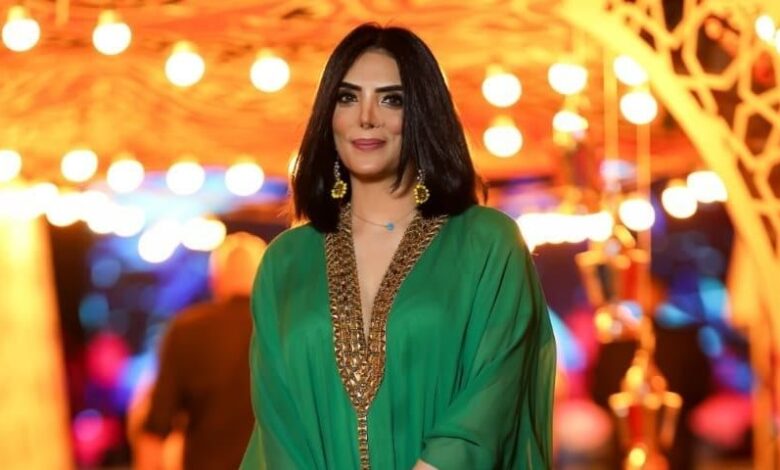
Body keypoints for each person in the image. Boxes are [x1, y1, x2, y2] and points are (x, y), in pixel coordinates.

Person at [241, 23, 555, 470]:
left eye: (392, 99)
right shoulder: (285, 262)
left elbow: (494, 392)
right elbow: (278, 422)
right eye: (347, 97)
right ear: (329, 114)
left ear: (423, 113)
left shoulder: (487, 243)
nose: (366, 117)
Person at [136, 232, 267, 470]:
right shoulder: (282, 328)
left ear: (214, 280)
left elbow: (156, 428)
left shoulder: (186, 329)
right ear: (264, 278)